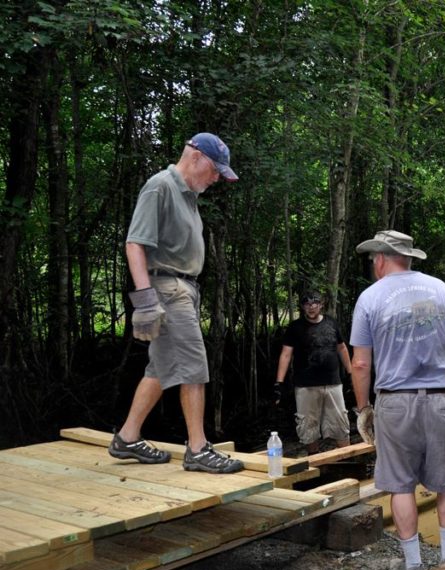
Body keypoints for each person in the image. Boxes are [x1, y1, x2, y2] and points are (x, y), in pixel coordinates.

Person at [108, 133, 244, 474]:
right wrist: (145, 301)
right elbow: (135, 244)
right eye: (215, 171)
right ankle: (197, 448)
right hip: (167, 289)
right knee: (194, 366)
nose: (216, 179)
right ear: (195, 157)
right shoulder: (160, 187)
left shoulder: (189, 196)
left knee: (161, 369)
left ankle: (126, 438)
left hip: (184, 288)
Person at [349, 230, 445, 570]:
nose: (373, 263)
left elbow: (360, 364)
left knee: (401, 485)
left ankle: (413, 565)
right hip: (441, 399)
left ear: (382, 258)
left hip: (395, 403)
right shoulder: (443, 290)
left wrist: (363, 409)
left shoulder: (370, 298)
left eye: (374, 257)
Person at [274, 291, 354, 453]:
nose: (311, 307)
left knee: (340, 423)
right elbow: (286, 354)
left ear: (321, 305)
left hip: (333, 382)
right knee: (308, 425)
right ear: (302, 307)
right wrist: (279, 382)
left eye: (314, 303)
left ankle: (348, 459)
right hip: (305, 384)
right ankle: (315, 463)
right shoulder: (295, 327)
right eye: (307, 304)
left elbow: (341, 347)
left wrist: (351, 373)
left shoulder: (331, 323)